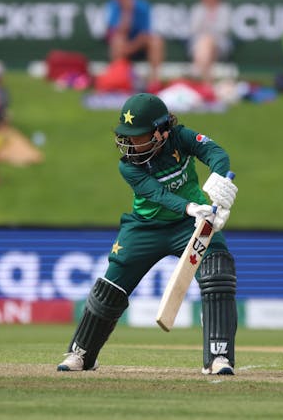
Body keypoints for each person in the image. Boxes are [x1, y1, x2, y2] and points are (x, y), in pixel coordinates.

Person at [57, 93, 238, 375]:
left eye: (137, 136)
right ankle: (80, 353)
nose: (129, 143)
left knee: (218, 272)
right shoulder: (128, 165)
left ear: (160, 132)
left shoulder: (180, 137)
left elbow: (217, 153)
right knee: (111, 286)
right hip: (146, 227)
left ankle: (218, 357)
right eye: (126, 136)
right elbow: (156, 194)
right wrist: (192, 207)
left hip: (191, 227)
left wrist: (218, 184)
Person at [106, 0, 165, 92]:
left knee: (156, 42)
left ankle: (154, 81)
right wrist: (126, 14)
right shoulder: (114, 5)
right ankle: (118, 79)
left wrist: (131, 48)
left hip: (139, 45)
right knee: (117, 41)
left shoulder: (142, 6)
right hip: (123, 45)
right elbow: (113, 33)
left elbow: (145, 34)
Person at [188, 0, 233, 84]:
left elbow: (223, 29)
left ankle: (197, 71)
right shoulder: (198, 8)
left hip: (219, 44)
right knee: (205, 43)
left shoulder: (225, 9)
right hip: (198, 44)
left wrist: (208, 33)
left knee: (206, 41)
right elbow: (193, 28)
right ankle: (207, 83)